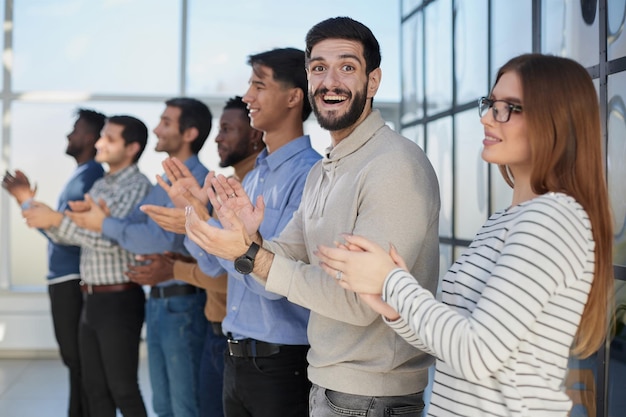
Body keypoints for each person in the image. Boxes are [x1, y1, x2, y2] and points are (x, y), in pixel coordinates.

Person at [316, 53, 615, 417]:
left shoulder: (551, 219)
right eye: (491, 103)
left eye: (511, 108)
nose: (487, 117)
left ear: (557, 121)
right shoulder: (504, 221)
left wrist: (393, 281)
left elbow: (477, 353)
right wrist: (393, 307)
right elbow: (456, 342)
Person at [184, 17, 440, 417]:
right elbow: (285, 257)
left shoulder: (393, 165)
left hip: (372, 396)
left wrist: (255, 256)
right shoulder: (326, 169)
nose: (330, 81)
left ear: (373, 82)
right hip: (329, 386)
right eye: (319, 68)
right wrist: (247, 239)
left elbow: (360, 302)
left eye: (347, 67)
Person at [162, 47, 321, 417]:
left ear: (294, 97)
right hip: (235, 357)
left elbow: (273, 280)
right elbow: (217, 267)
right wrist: (196, 214)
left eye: (258, 86)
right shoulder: (253, 176)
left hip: (281, 364)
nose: (248, 96)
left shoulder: (310, 176)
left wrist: (237, 248)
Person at [66, 98, 213, 417]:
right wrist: (109, 223)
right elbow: (134, 227)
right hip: (159, 300)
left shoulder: (197, 181)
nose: (156, 129)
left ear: (189, 133)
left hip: (183, 303)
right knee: (164, 405)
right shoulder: (163, 184)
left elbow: (153, 238)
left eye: (165, 123)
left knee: (183, 405)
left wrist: (103, 223)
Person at [128, 95, 265, 417]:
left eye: (227, 129)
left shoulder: (235, 189)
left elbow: (232, 271)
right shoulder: (224, 183)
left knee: (186, 406)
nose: (218, 137)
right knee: (168, 404)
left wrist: (179, 264)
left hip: (213, 320)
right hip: (213, 323)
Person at [22, 115, 152, 417]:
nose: (99, 143)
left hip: (119, 300)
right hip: (90, 298)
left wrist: (58, 221)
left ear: (132, 147)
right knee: (94, 389)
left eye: (109, 138)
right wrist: (51, 219)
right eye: (101, 136)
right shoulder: (102, 185)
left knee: (123, 389)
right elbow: (81, 235)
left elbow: (111, 240)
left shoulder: (136, 187)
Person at [1, 108, 106, 417]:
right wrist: (30, 205)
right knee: (75, 362)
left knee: (78, 361)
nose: (68, 135)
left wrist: (27, 202)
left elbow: (68, 233)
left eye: (75, 129)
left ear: (88, 137)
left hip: (72, 278)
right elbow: (59, 229)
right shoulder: (81, 175)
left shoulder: (91, 176)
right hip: (64, 277)